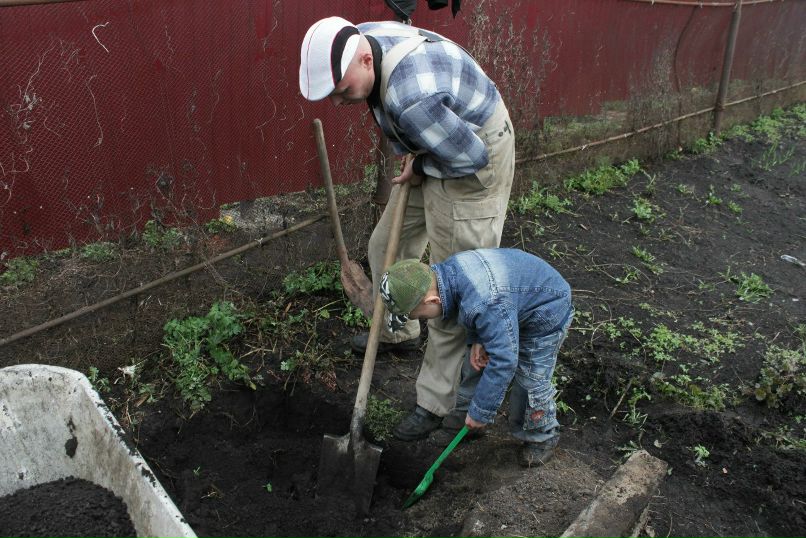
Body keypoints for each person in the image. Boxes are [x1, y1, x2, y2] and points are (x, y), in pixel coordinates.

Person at [299, 17, 516, 441]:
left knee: (453, 287)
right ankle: (400, 329)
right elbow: (417, 125)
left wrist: (421, 164)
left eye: (342, 91)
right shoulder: (363, 39)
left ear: (365, 59)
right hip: (436, 139)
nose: (339, 103)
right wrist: (419, 156)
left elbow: (469, 157)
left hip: (472, 154)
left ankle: (437, 403)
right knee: (384, 247)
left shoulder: (409, 98)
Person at [377, 248, 573, 466]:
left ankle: (542, 436)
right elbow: (476, 308)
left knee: (530, 380)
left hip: (544, 312)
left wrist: (483, 411)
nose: (422, 321)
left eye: (418, 317)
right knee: (475, 363)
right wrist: (477, 337)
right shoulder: (449, 273)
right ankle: (466, 422)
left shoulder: (485, 302)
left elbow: (505, 360)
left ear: (432, 301)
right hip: (510, 303)